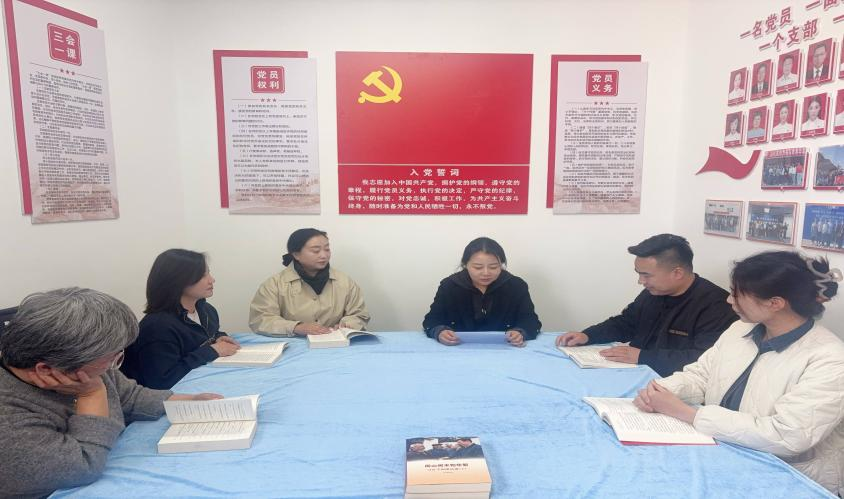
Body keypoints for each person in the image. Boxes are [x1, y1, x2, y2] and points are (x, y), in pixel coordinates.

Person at [632, 252, 844, 497]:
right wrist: (661, 391)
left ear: (775, 303)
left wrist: (688, 413)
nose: (729, 300)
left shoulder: (831, 359)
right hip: (722, 450)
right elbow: (701, 375)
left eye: (737, 294)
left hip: (786, 476)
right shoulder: (740, 329)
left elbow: (788, 435)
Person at [0, 288, 221, 498]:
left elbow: (130, 397)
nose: (112, 367)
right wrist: (92, 395)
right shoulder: (8, 420)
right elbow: (83, 465)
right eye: (111, 360)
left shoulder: (82, 366)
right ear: (46, 370)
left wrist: (188, 401)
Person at [556, 234, 738, 376]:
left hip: (671, 383)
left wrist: (642, 356)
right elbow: (626, 323)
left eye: (646, 275)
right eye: (638, 274)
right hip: (635, 371)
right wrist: (588, 335)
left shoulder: (716, 306)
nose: (640, 281)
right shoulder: (654, 292)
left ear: (677, 273)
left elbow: (704, 359)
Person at [121, 249, 239, 389]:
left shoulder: (207, 310)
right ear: (178, 280)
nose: (212, 280)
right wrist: (211, 351)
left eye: (208, 273)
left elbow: (203, 336)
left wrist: (218, 337)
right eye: (202, 275)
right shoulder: (158, 327)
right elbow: (161, 382)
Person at [249, 228, 370, 337]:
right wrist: (297, 327)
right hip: (293, 345)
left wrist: (348, 324)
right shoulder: (274, 285)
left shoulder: (345, 282)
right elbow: (260, 319)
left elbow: (359, 314)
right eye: (316, 251)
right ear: (296, 254)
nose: (324, 255)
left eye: (327, 249)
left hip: (336, 344)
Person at [423, 237, 541, 347]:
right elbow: (432, 319)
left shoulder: (516, 286)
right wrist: (439, 331)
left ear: (501, 265)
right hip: (458, 347)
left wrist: (520, 332)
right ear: (465, 265)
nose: (486, 273)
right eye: (478, 267)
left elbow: (530, 321)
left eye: (493, 267)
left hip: (504, 348)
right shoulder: (449, 286)